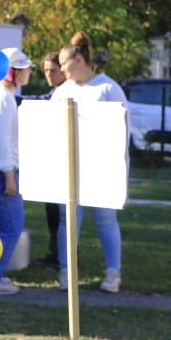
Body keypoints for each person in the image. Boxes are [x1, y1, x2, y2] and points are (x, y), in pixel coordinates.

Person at [51, 31, 128, 293]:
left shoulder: (108, 88)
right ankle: (66, 272)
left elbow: (122, 130)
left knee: (106, 220)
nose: (61, 69)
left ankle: (113, 274)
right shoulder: (62, 91)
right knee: (68, 221)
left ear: (81, 60)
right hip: (68, 169)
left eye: (64, 63)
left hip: (100, 170)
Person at [0, 47, 33, 295]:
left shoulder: (0, 95)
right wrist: (8, 175)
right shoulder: (3, 97)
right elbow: (0, 142)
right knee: (11, 225)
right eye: (25, 69)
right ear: (13, 71)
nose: (29, 73)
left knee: (5, 225)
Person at [35, 51, 67, 267]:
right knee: (52, 213)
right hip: (53, 161)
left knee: (60, 215)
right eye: (45, 71)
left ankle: (61, 257)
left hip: (63, 164)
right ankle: (55, 253)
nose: (49, 75)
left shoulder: (65, 92)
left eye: (53, 70)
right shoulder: (55, 92)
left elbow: (41, 101)